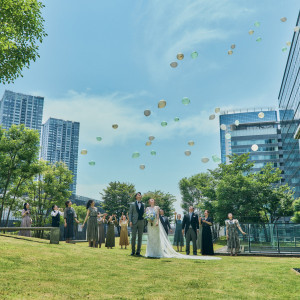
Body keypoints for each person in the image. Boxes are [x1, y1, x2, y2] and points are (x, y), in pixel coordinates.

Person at [145, 201, 220, 261]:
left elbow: (197, 223)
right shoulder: (186, 215)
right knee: (187, 241)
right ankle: (187, 252)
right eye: (190, 207)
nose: (190, 208)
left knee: (194, 241)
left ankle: (194, 252)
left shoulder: (195, 215)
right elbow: (183, 223)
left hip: (193, 229)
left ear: (193, 209)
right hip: (187, 229)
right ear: (189, 209)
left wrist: (197, 228)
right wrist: (183, 229)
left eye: (191, 208)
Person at [129, 192, 144, 256]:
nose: (139, 195)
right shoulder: (132, 204)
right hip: (134, 222)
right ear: (136, 197)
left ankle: (138, 252)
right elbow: (130, 213)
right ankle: (133, 251)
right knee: (133, 237)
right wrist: (130, 221)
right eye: (138, 194)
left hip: (141, 222)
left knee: (140, 237)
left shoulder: (143, 204)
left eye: (140, 194)